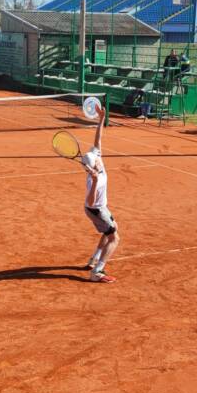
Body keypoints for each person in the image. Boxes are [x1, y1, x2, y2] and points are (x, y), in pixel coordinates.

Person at [83, 103, 119, 284]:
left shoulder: (97, 160)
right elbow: (90, 202)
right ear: (92, 165)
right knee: (114, 237)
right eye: (95, 157)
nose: (98, 155)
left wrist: (101, 119)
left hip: (100, 207)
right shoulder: (93, 180)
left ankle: (93, 259)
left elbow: (98, 141)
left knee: (109, 231)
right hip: (96, 209)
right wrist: (96, 180)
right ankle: (97, 271)